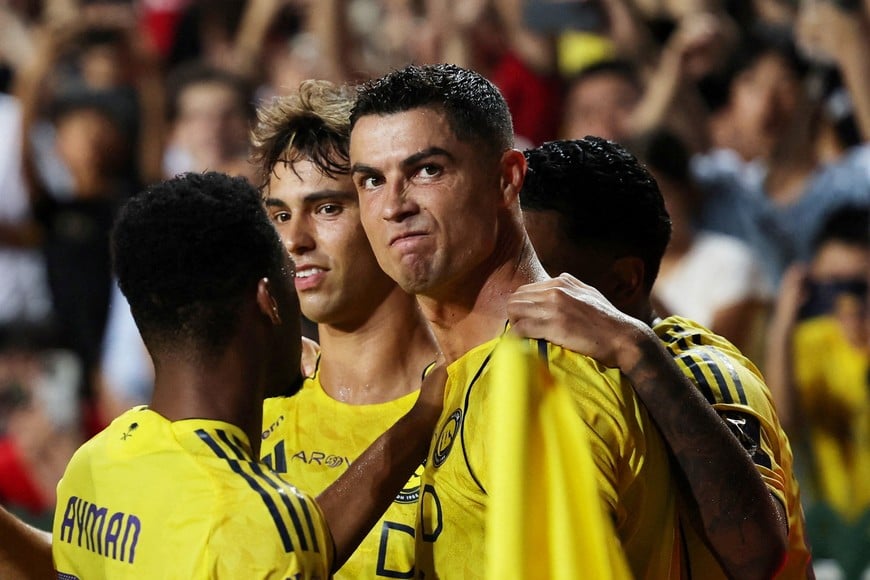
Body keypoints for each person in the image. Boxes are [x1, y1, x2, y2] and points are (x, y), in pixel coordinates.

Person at [348, 63, 679, 578]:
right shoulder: (447, 375)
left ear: (506, 180)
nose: (393, 206)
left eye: (427, 171)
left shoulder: (548, 376)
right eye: (371, 180)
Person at [50, 171, 447, 578]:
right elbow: (259, 541)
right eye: (288, 277)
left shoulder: (91, 465)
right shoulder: (254, 525)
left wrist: (418, 422)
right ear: (267, 300)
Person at [512, 137, 808, 578]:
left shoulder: (702, 368)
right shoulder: (524, 372)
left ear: (624, 282)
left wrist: (634, 347)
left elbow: (758, 552)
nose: (512, 294)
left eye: (536, 274)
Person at [251, 79, 439, 578]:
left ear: (385, 210)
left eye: (327, 208)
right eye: (280, 215)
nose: (295, 239)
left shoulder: (471, 395)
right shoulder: (254, 409)